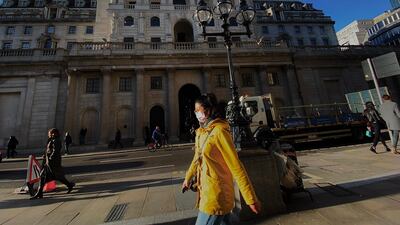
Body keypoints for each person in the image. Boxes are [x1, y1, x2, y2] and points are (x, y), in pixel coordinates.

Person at [182, 93, 261, 225]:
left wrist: (250, 198)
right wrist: (187, 178)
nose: (196, 113)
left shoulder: (219, 131)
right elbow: (197, 158)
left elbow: (236, 166)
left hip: (215, 196)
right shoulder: (201, 132)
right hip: (207, 191)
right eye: (195, 111)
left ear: (207, 111)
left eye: (198, 110)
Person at [31, 128, 75, 199]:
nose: (49, 134)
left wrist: (50, 158)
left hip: (53, 162)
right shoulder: (53, 140)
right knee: (45, 176)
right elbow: (50, 150)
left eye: (50, 133)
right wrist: (46, 155)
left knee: (53, 176)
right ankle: (39, 193)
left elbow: (55, 151)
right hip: (50, 161)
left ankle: (69, 185)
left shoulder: (56, 141)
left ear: (54, 133)